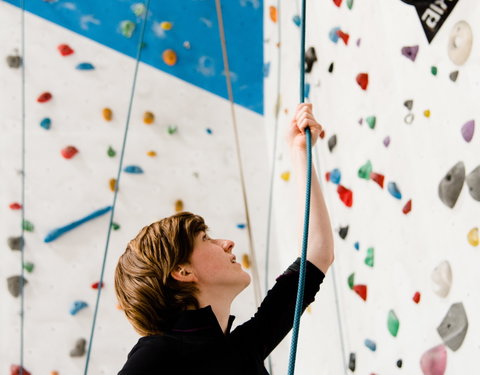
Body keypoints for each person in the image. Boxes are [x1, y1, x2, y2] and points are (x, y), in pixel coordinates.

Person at [114, 103, 334, 374]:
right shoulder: (158, 353)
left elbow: (318, 255)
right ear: (181, 270)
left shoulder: (242, 348)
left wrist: (299, 152)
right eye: (206, 238)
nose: (227, 243)